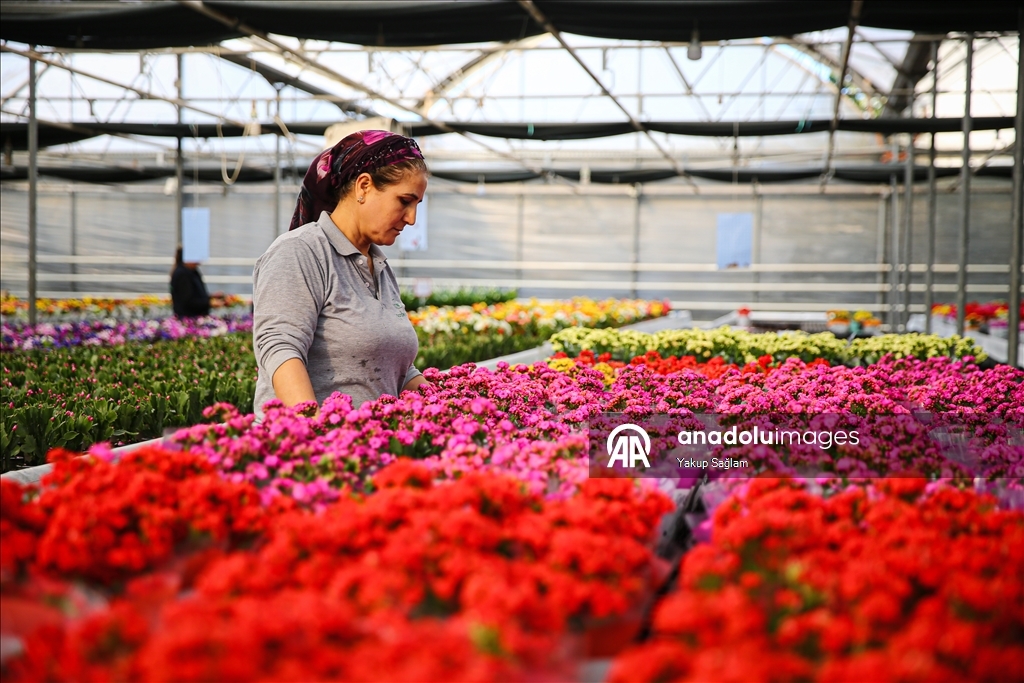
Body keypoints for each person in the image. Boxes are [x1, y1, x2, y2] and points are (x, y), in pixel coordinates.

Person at [252, 130, 429, 419]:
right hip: (309, 455)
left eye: (416, 205)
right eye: (404, 201)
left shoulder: (380, 267)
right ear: (363, 186)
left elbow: (395, 368)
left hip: (369, 448)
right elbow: (281, 350)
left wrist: (451, 408)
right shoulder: (299, 252)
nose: (411, 219)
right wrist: (317, 434)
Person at [170, 247, 211, 318]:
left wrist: (211, 297)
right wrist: (210, 303)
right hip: (188, 318)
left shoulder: (193, 271)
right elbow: (187, 302)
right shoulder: (182, 275)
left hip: (196, 316)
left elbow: (196, 294)